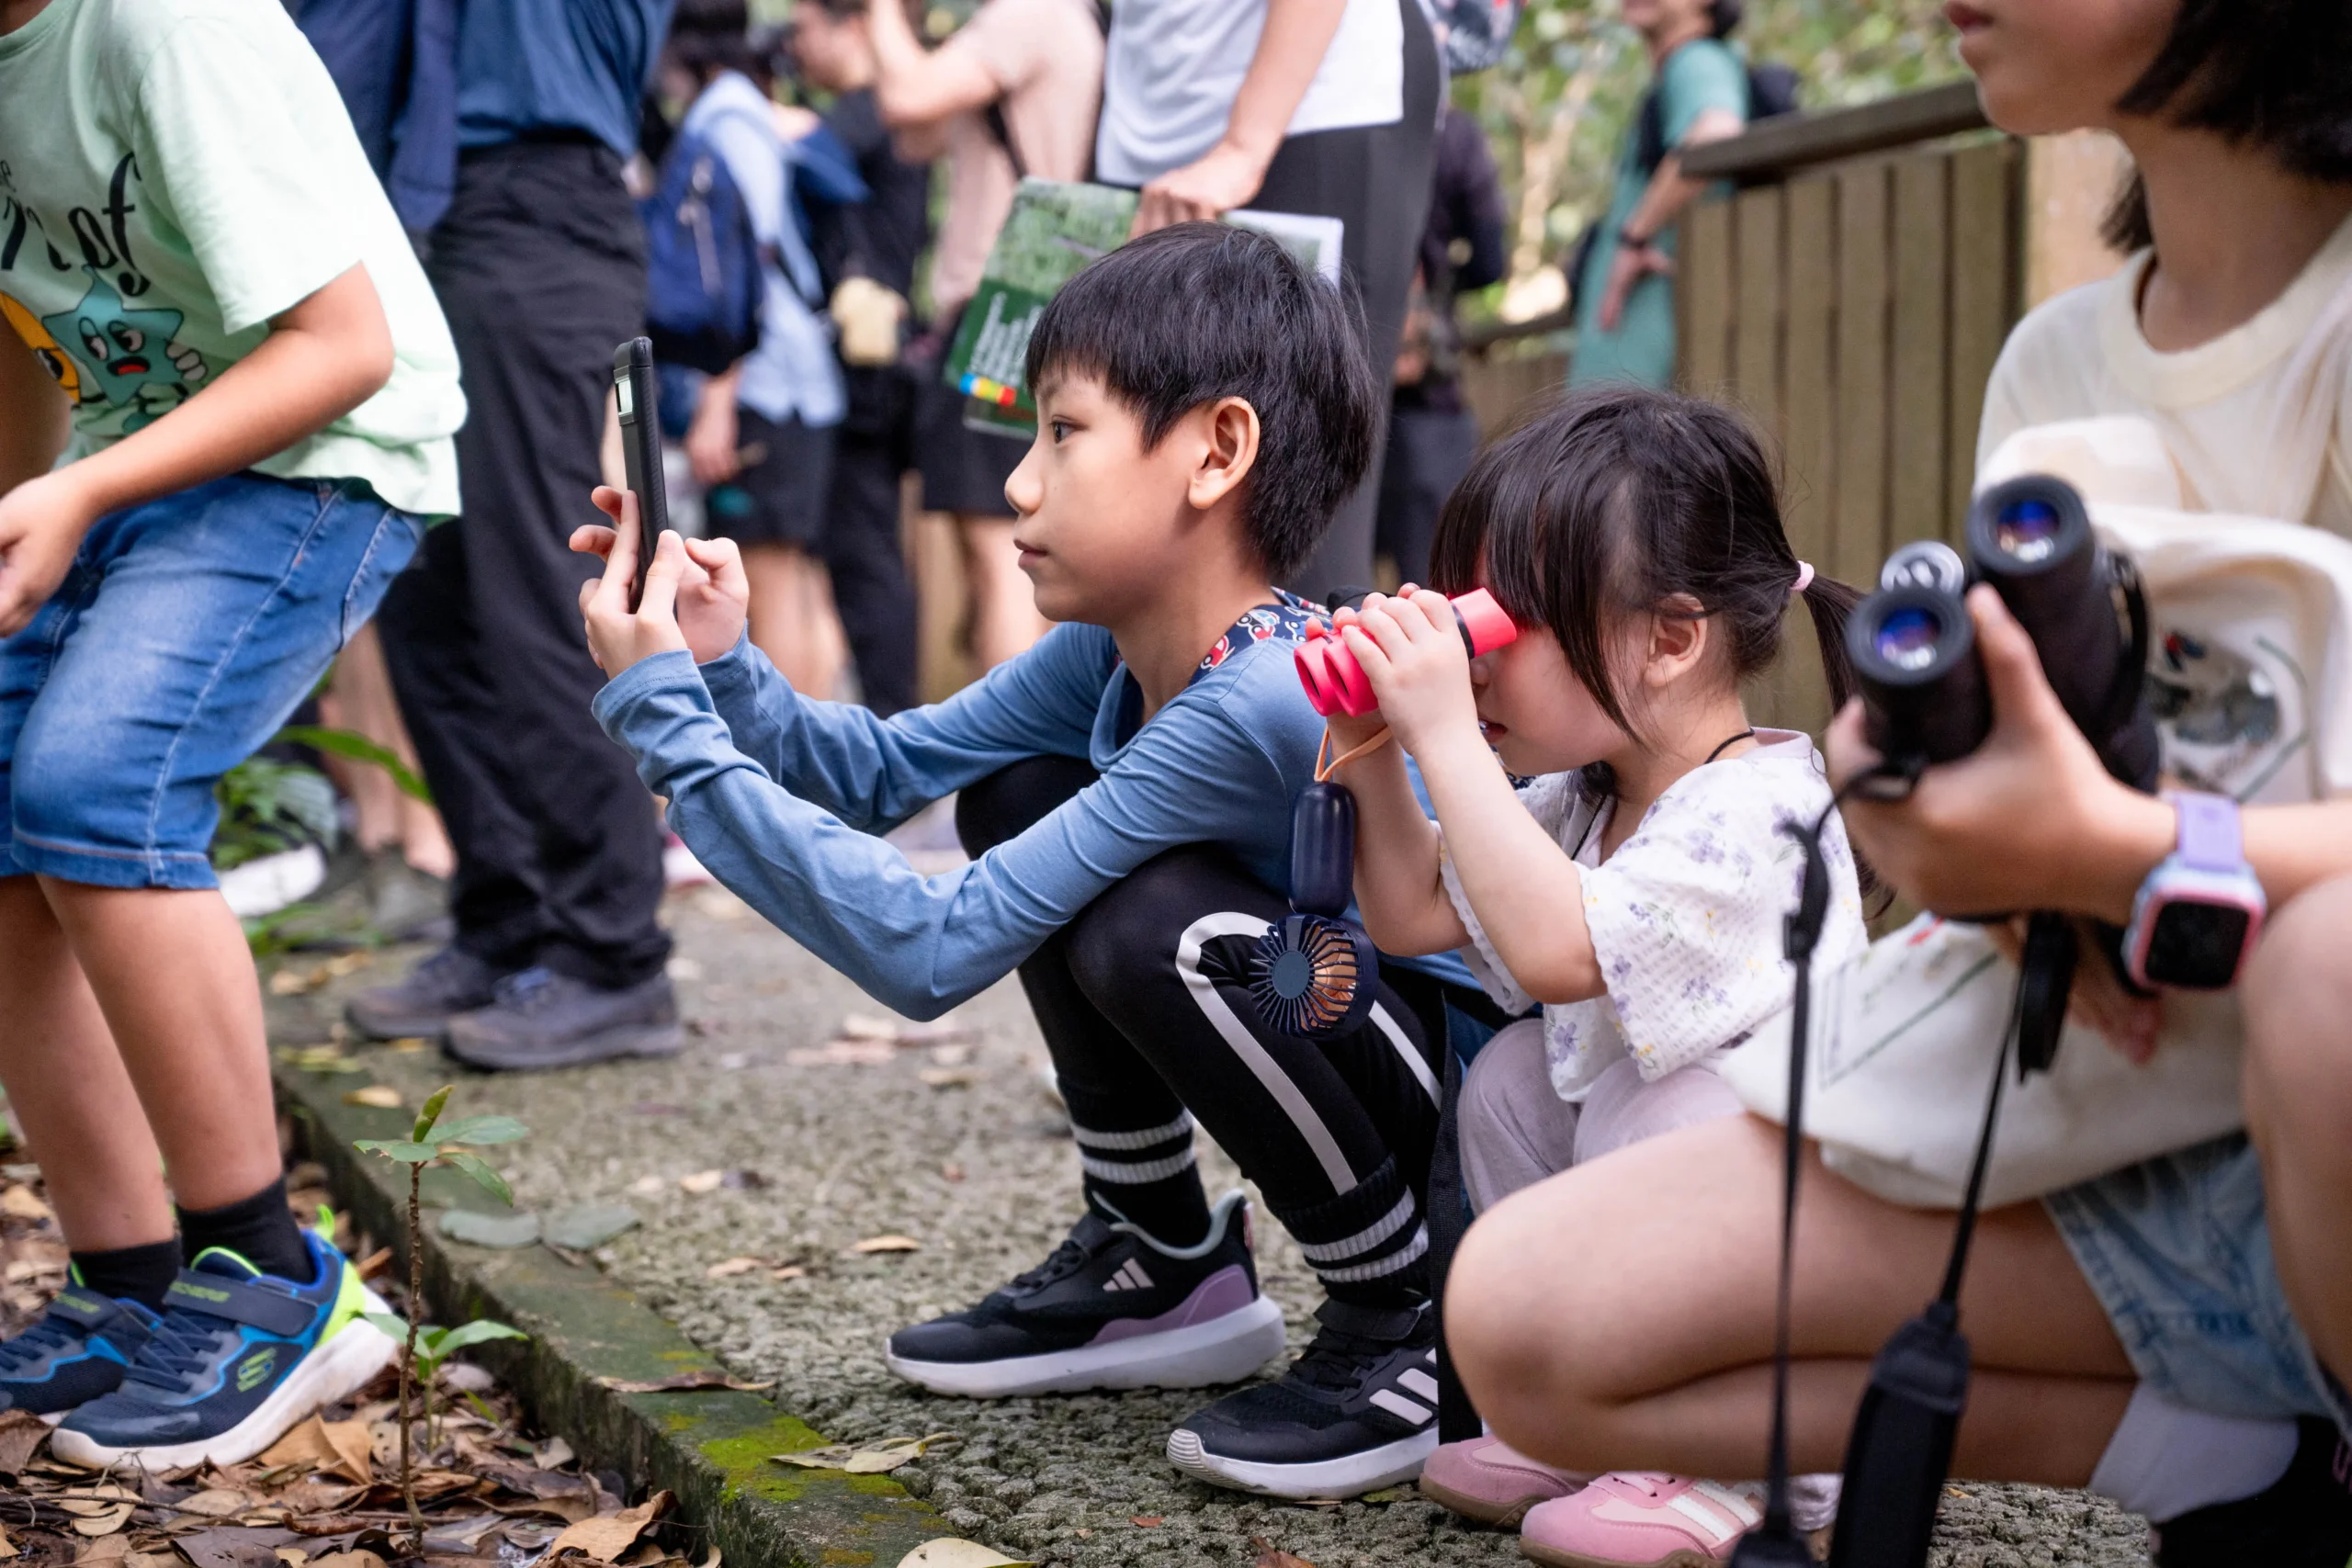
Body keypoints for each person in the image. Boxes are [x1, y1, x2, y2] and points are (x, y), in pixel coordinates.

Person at [1448, 2, 2352, 1562]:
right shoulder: (2059, 361)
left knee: (2328, 978)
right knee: (1526, 1320)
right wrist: (1954, 843)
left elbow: (1552, 945)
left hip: (2313, 1097)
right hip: (2115, 1121)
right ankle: (2226, 1460)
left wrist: (2121, 845)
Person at [576, 225, 1502, 1498]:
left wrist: (663, 720)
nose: (1018, 484)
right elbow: (880, 771)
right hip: (1362, 1031)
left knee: (1156, 923)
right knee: (1020, 794)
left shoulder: (1262, 696)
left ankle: (1404, 1312)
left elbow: (930, 948)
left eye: (1063, 433)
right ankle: (1159, 1249)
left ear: (1217, 452)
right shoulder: (1116, 649)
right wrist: (720, 661)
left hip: (1477, 1117)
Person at [0, 0, 461, 1463]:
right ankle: (131, 1282)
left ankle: (271, 1274)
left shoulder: (163, 25)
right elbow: (25, 337)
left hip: (317, 454)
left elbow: (346, 345)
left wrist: (77, 493)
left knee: (100, 782)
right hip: (128, 468)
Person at [1325, 387, 1867, 1561]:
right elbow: (1416, 911)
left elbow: (1556, 948)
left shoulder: (1756, 817)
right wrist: (1371, 749)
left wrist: (1442, 736)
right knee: (1514, 1083)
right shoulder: (1591, 795)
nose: (1471, 667)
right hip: (1671, 1213)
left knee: (1668, 1115)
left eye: (1493, 631)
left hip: (1796, 1293)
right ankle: (1596, 1420)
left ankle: (1746, 1465)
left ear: (1670, 639)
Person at [346, 0, 685, 1070]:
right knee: (428, 602)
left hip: (536, 203)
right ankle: (506, 923)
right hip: (410, 220)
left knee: (539, 595)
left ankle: (613, 956)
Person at [1108, 0, 1442, 602]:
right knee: (1137, 500)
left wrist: (1244, 145)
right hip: (1143, 126)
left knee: (1291, 498)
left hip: (1310, 109)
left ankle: (1305, 667)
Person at [865, 0, 1100, 673]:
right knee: (1016, 548)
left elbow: (906, 98)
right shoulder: (1072, 21)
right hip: (1044, 291)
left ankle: (1019, 739)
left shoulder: (1027, 13)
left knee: (999, 549)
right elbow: (916, 136)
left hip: (1006, 304)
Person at [666, 0, 853, 698]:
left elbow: (743, 265)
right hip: (800, 384)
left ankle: (784, 761)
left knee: (766, 587)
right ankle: (820, 753)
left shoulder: (727, 118)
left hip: (766, 387)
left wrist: (717, 402)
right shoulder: (752, 111)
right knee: (797, 580)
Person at [792, 0, 929, 716]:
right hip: (861, 364)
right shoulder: (866, 116)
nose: (793, 45)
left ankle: (890, 717)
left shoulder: (875, 109)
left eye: (802, 29)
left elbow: (814, 151)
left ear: (851, 26)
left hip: (869, 369)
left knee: (865, 554)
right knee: (856, 554)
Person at [1566, 0, 1749, 391]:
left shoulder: (1696, 59)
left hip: (1654, 323)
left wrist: (1635, 237)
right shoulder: (1675, 71)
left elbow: (1716, 131)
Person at [1374, 103, 1506, 587]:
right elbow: (1490, 261)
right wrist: (1440, 288)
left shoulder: (1321, 114)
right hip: (1424, 411)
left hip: (1323, 395)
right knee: (1437, 585)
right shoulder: (1452, 135)